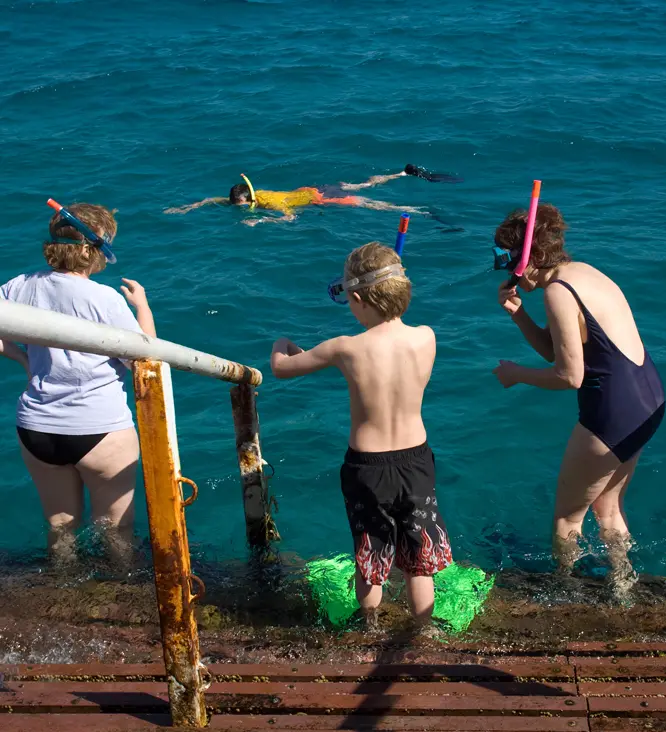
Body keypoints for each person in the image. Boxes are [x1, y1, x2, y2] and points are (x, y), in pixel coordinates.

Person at [270, 241, 452, 627]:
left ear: (356, 297)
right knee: (419, 560)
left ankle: (369, 626)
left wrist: (281, 345)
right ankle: (422, 631)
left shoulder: (345, 348)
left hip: (367, 467)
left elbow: (282, 369)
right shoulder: (427, 337)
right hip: (417, 460)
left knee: (370, 552)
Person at [492, 204, 665, 599]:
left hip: (612, 412)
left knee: (567, 518)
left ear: (529, 259)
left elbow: (570, 376)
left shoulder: (557, 292)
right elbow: (559, 353)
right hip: (648, 401)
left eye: (506, 260)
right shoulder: (581, 273)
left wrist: (515, 375)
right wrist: (519, 317)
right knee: (608, 507)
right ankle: (623, 585)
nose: (504, 271)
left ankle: (564, 591)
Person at [0, 202, 156, 569]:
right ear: (89, 249)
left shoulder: (20, 285)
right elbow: (145, 360)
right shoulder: (105, 299)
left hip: (37, 428)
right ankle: (122, 601)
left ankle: (61, 596)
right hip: (100, 429)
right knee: (116, 531)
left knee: (60, 527)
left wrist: (24, 360)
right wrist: (143, 308)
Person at [164, 167, 428, 224]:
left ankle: (413, 210)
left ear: (250, 200)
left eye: (242, 206)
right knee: (362, 185)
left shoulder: (271, 202)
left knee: (367, 204)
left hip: (318, 198)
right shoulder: (250, 196)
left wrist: (261, 221)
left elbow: (290, 219)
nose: (240, 208)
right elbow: (214, 199)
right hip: (309, 190)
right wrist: (187, 208)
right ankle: (401, 174)